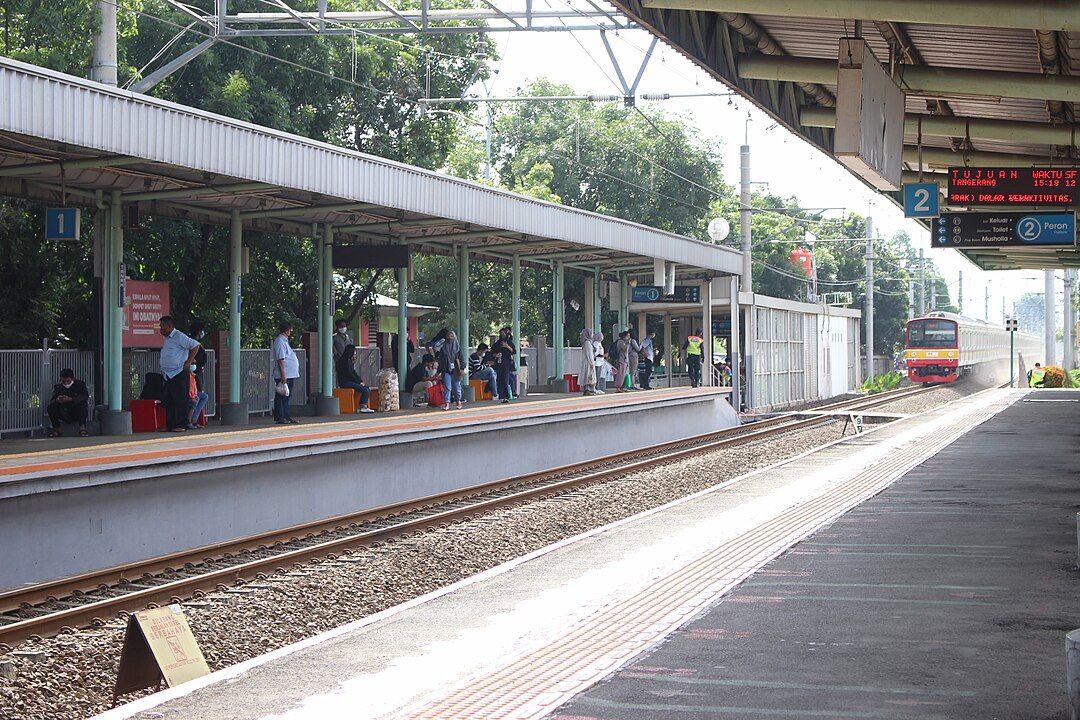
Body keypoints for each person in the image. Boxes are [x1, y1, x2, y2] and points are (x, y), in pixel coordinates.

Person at [158, 316, 202, 432]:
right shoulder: (167, 338)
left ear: (169, 326)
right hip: (167, 374)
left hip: (178, 372)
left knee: (180, 400)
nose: (160, 330)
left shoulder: (179, 336)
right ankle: (170, 425)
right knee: (169, 400)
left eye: (162, 327)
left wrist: (188, 361)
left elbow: (195, 345)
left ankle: (182, 424)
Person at [46, 368, 89, 437]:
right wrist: (58, 400)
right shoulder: (58, 387)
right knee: (51, 407)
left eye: (68, 381)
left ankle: (82, 428)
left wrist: (71, 399)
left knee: (82, 404)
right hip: (64, 411)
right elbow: (53, 400)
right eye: (63, 381)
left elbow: (84, 396)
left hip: (77, 411)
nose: (65, 383)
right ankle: (57, 429)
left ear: (72, 379)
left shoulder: (80, 384)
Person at [273, 321, 301, 424]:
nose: (291, 332)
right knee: (281, 396)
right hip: (284, 374)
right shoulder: (280, 342)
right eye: (290, 330)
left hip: (289, 374)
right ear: (287, 330)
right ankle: (280, 417)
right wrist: (283, 376)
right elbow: (280, 360)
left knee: (286, 396)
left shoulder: (284, 341)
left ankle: (286, 416)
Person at [337, 343, 375, 413]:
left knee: (367, 388)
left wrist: (360, 381)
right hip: (345, 382)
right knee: (365, 390)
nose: (355, 353)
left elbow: (354, 373)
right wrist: (359, 382)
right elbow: (349, 374)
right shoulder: (344, 361)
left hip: (350, 381)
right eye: (354, 351)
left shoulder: (349, 361)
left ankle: (363, 406)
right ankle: (362, 406)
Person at [186, 322, 210, 430]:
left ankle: (193, 419)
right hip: (194, 372)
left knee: (201, 395)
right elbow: (201, 359)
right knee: (197, 395)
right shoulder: (194, 344)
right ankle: (191, 420)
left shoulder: (192, 343)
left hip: (196, 372)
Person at [437, 330, 466, 410]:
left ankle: (458, 401)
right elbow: (441, 361)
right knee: (447, 387)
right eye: (448, 336)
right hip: (446, 370)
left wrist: (462, 368)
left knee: (457, 387)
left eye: (452, 336)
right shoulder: (443, 348)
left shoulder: (458, 348)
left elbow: (462, 359)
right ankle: (447, 403)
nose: (450, 338)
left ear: (454, 337)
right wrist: (438, 372)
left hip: (456, 370)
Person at [491, 327, 516, 403]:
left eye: (503, 334)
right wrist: (496, 355)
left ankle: (506, 396)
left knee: (506, 379)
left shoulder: (509, 342)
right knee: (500, 379)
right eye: (501, 334)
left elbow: (514, 351)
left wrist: (507, 346)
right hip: (499, 362)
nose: (502, 335)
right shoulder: (498, 343)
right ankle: (501, 395)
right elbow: (492, 352)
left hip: (506, 363)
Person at [579, 328, 598, 395]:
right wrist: (592, 363)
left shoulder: (586, 342)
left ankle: (588, 390)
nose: (592, 334)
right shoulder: (587, 343)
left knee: (587, 376)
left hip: (586, 362)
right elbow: (589, 354)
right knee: (589, 376)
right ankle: (588, 390)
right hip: (588, 362)